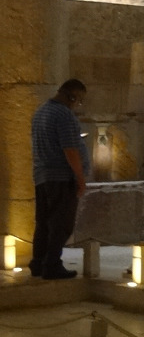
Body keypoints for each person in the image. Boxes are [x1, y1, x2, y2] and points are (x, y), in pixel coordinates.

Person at [28, 79, 90, 279]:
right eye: (79, 100)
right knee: (61, 224)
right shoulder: (63, 115)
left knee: (44, 223)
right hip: (61, 178)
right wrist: (80, 178)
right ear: (71, 96)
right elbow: (70, 150)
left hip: (43, 176)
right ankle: (52, 265)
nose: (77, 105)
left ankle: (38, 262)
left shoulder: (40, 112)